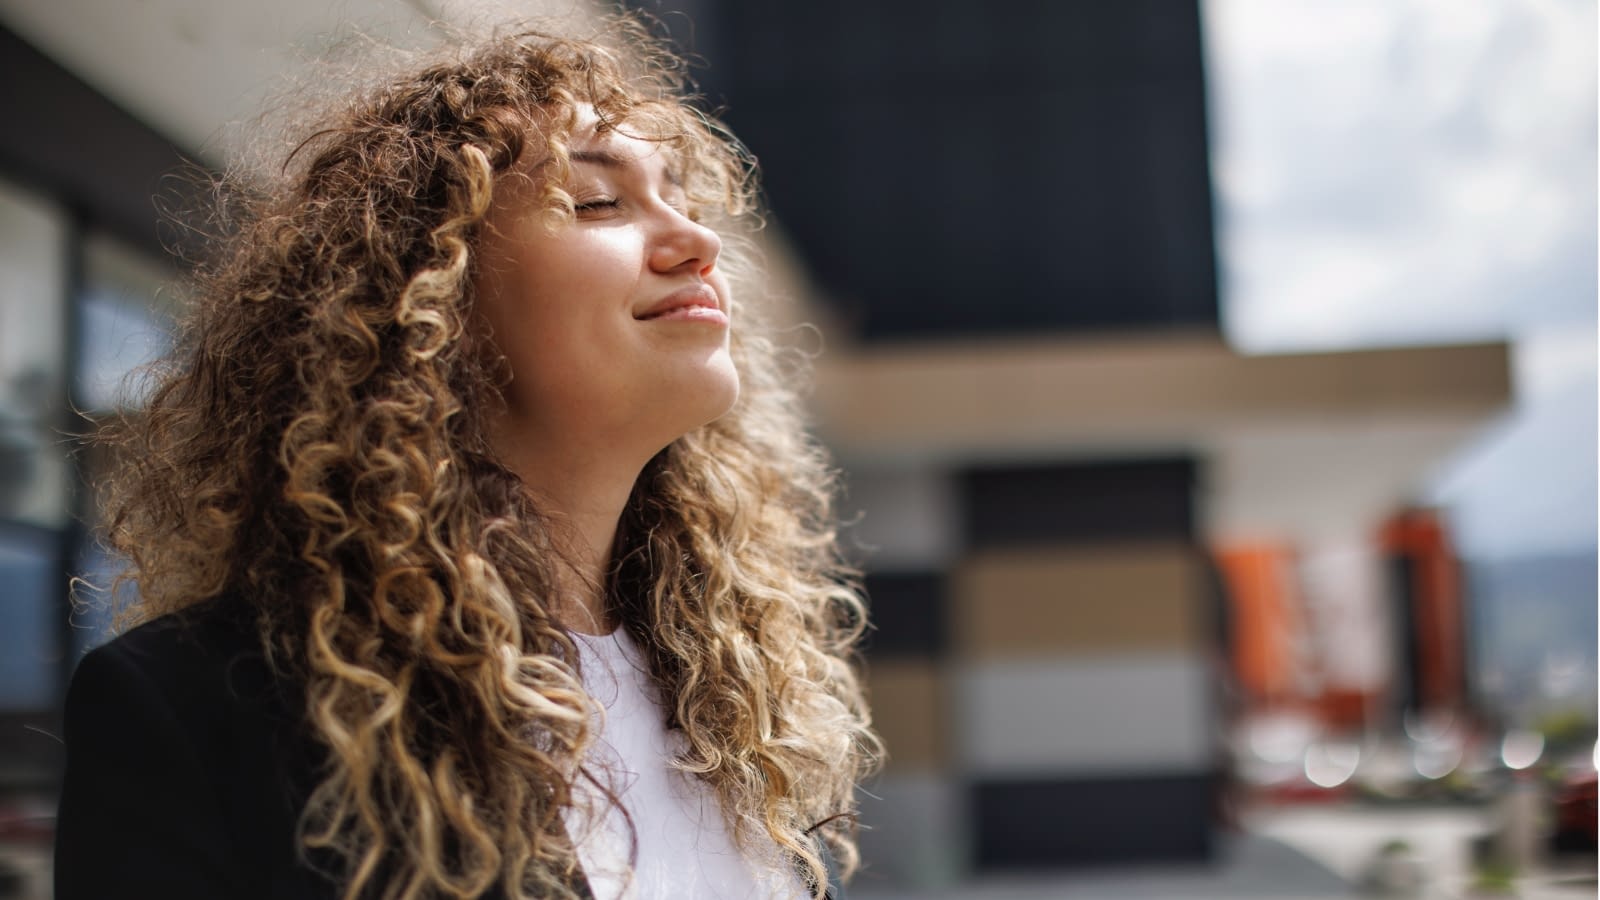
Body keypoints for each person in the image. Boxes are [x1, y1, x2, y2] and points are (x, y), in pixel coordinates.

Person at [54, 16, 880, 900]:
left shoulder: (733, 703)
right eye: (598, 201)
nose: (697, 242)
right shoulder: (202, 708)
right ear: (432, 301)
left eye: (683, 199)